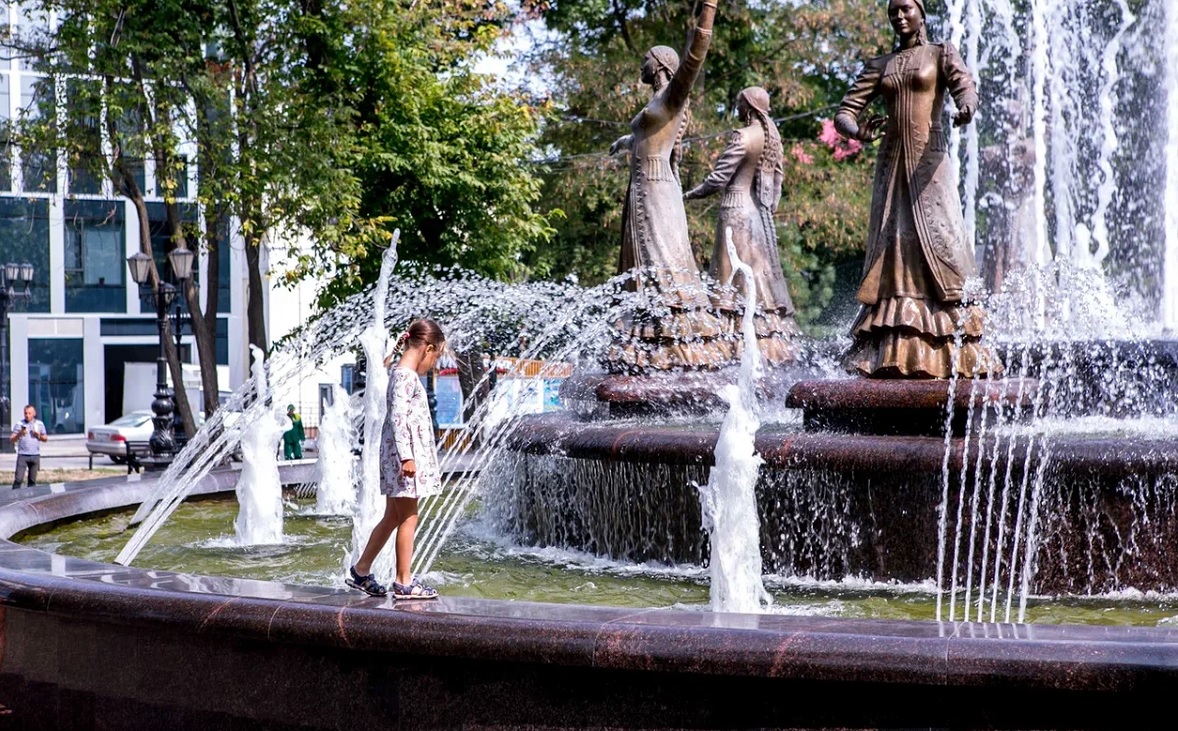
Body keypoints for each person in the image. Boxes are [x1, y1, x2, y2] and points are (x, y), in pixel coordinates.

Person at [834, 0, 1002, 378]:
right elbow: (845, 111)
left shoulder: (941, 53)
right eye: (893, 10)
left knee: (942, 235)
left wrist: (967, 109)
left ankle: (954, 336)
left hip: (931, 161)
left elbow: (966, 88)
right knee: (895, 241)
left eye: (906, 8)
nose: (899, 15)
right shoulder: (880, 65)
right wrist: (856, 130)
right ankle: (894, 338)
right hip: (892, 165)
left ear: (921, 13)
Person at [606, 0, 730, 372]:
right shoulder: (656, 102)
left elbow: (695, 56)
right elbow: (648, 135)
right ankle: (648, 338)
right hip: (641, 190)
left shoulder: (674, 94)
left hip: (658, 190)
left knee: (665, 263)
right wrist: (625, 142)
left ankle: (684, 345)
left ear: (660, 64)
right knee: (640, 269)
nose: (640, 64)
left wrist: (707, 10)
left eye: (646, 59)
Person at [684, 85, 799, 364]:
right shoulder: (772, 138)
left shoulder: (742, 137)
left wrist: (688, 194)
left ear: (749, 106)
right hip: (756, 214)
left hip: (735, 211)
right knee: (755, 272)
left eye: (739, 103)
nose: (736, 109)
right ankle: (767, 344)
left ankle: (728, 346)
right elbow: (777, 182)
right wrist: (767, 206)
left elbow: (719, 178)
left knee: (729, 276)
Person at [347, 318, 446, 599]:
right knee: (409, 517)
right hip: (403, 461)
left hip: (399, 458)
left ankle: (361, 571)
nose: (434, 364)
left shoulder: (402, 375)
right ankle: (404, 581)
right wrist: (407, 458)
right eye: (436, 356)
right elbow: (399, 418)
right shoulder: (405, 376)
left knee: (392, 516)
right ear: (427, 348)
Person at [11, 405, 48, 489]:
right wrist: (20, 434)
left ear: (34, 413)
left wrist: (38, 435)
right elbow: (12, 439)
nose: (27, 415)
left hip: (35, 455)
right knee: (18, 479)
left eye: (29, 413)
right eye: (25, 413)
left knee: (32, 481)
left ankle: (30, 498)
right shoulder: (20, 424)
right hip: (23, 455)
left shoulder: (39, 424)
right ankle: (14, 496)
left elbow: (45, 438)